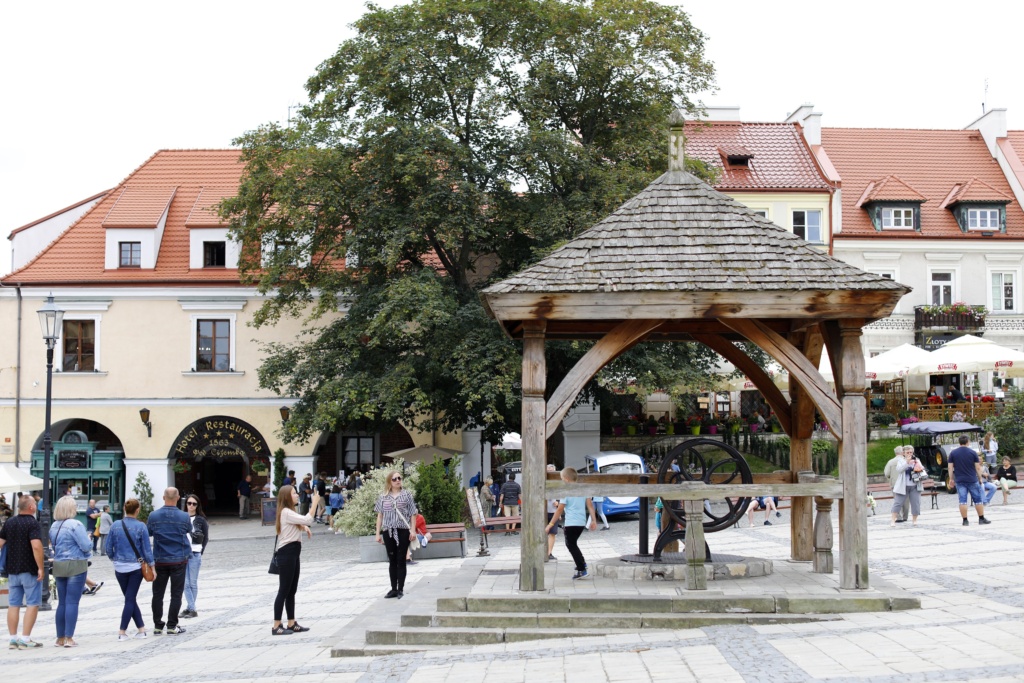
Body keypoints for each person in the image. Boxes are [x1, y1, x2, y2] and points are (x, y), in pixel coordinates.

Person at [271, 485, 317, 635]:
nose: (297, 495)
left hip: (294, 553)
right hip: (287, 553)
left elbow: (298, 523)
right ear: (287, 497)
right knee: (284, 590)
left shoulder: (290, 512)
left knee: (292, 590)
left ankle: (291, 622)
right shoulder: (285, 512)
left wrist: (303, 527)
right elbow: (308, 519)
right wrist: (315, 501)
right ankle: (276, 625)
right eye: (294, 493)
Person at [106, 498, 153, 641]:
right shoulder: (141, 526)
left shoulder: (115, 525)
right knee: (130, 599)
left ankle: (141, 629)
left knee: (129, 598)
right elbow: (147, 550)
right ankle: (122, 631)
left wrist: (115, 558)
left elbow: (108, 548)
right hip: (135, 567)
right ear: (137, 510)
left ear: (125, 509)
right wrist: (152, 566)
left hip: (119, 567)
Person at [0, 495, 44, 649]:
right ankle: (25, 638)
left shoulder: (10, 522)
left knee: (14, 605)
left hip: (12, 570)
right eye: (35, 504)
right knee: (32, 603)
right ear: (31, 507)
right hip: (29, 570)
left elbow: (0, 543)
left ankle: (13, 639)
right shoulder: (33, 524)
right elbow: (36, 546)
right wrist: (40, 567)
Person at [147, 487, 192, 634]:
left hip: (160, 559)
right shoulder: (184, 516)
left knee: (158, 594)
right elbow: (188, 530)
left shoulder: (153, 516)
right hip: (179, 559)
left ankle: (158, 625)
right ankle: (172, 625)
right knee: (176, 594)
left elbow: (149, 533)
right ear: (178, 498)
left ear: (163, 497)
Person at [48, 495, 92, 647]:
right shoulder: (76, 524)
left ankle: (59, 638)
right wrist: (88, 539)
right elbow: (86, 546)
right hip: (76, 564)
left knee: (62, 603)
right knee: (72, 602)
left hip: (59, 565)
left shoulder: (54, 526)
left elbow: (54, 546)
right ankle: (69, 638)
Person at [545, 468, 597, 580]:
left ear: (567, 479)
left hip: (571, 523)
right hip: (581, 522)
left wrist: (550, 524)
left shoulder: (566, 492)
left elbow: (559, 510)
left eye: (562, 479)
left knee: (571, 545)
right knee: (573, 544)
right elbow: (590, 505)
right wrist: (593, 520)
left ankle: (581, 569)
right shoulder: (584, 489)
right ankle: (582, 562)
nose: (562, 481)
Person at [374, 470, 417, 599]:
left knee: (401, 559)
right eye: (394, 479)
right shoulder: (383, 497)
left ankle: (400, 589)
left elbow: (412, 513)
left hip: (403, 530)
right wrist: (378, 533)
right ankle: (393, 588)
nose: (398, 480)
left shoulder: (407, 495)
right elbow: (380, 516)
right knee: (392, 560)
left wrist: (413, 530)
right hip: (389, 530)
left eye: (399, 478)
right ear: (389, 482)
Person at [947, 435, 991, 526]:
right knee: (978, 500)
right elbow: (978, 467)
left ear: (959, 442)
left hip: (960, 480)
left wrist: (951, 479)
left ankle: (965, 520)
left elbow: (950, 467)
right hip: (972, 479)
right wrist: (979, 478)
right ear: (967, 442)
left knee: (962, 500)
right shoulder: (973, 453)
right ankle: (981, 518)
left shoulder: (953, 453)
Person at [181, 493, 209, 619]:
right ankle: (191, 608)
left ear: (197, 506)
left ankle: (191, 608)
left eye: (194, 504)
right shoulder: (181, 518)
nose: (191, 506)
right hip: (182, 553)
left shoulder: (201, 520)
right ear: (186, 504)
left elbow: (206, 538)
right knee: (185, 583)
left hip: (195, 553)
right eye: (189, 503)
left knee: (192, 582)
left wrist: (200, 551)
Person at [890, 447, 924, 527]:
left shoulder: (917, 459)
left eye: (911, 452)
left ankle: (914, 520)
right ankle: (893, 519)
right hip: (903, 486)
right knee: (898, 502)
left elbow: (921, 469)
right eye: (908, 452)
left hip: (915, 485)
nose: (909, 454)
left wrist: (917, 465)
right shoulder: (901, 461)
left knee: (916, 503)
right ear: (904, 453)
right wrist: (907, 462)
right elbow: (899, 470)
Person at [884, 446, 911, 523]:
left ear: (895, 453)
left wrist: (891, 478)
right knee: (906, 500)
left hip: (895, 483)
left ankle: (898, 517)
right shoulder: (906, 461)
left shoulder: (891, 462)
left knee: (897, 500)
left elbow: (886, 473)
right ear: (902, 452)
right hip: (906, 483)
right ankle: (905, 516)